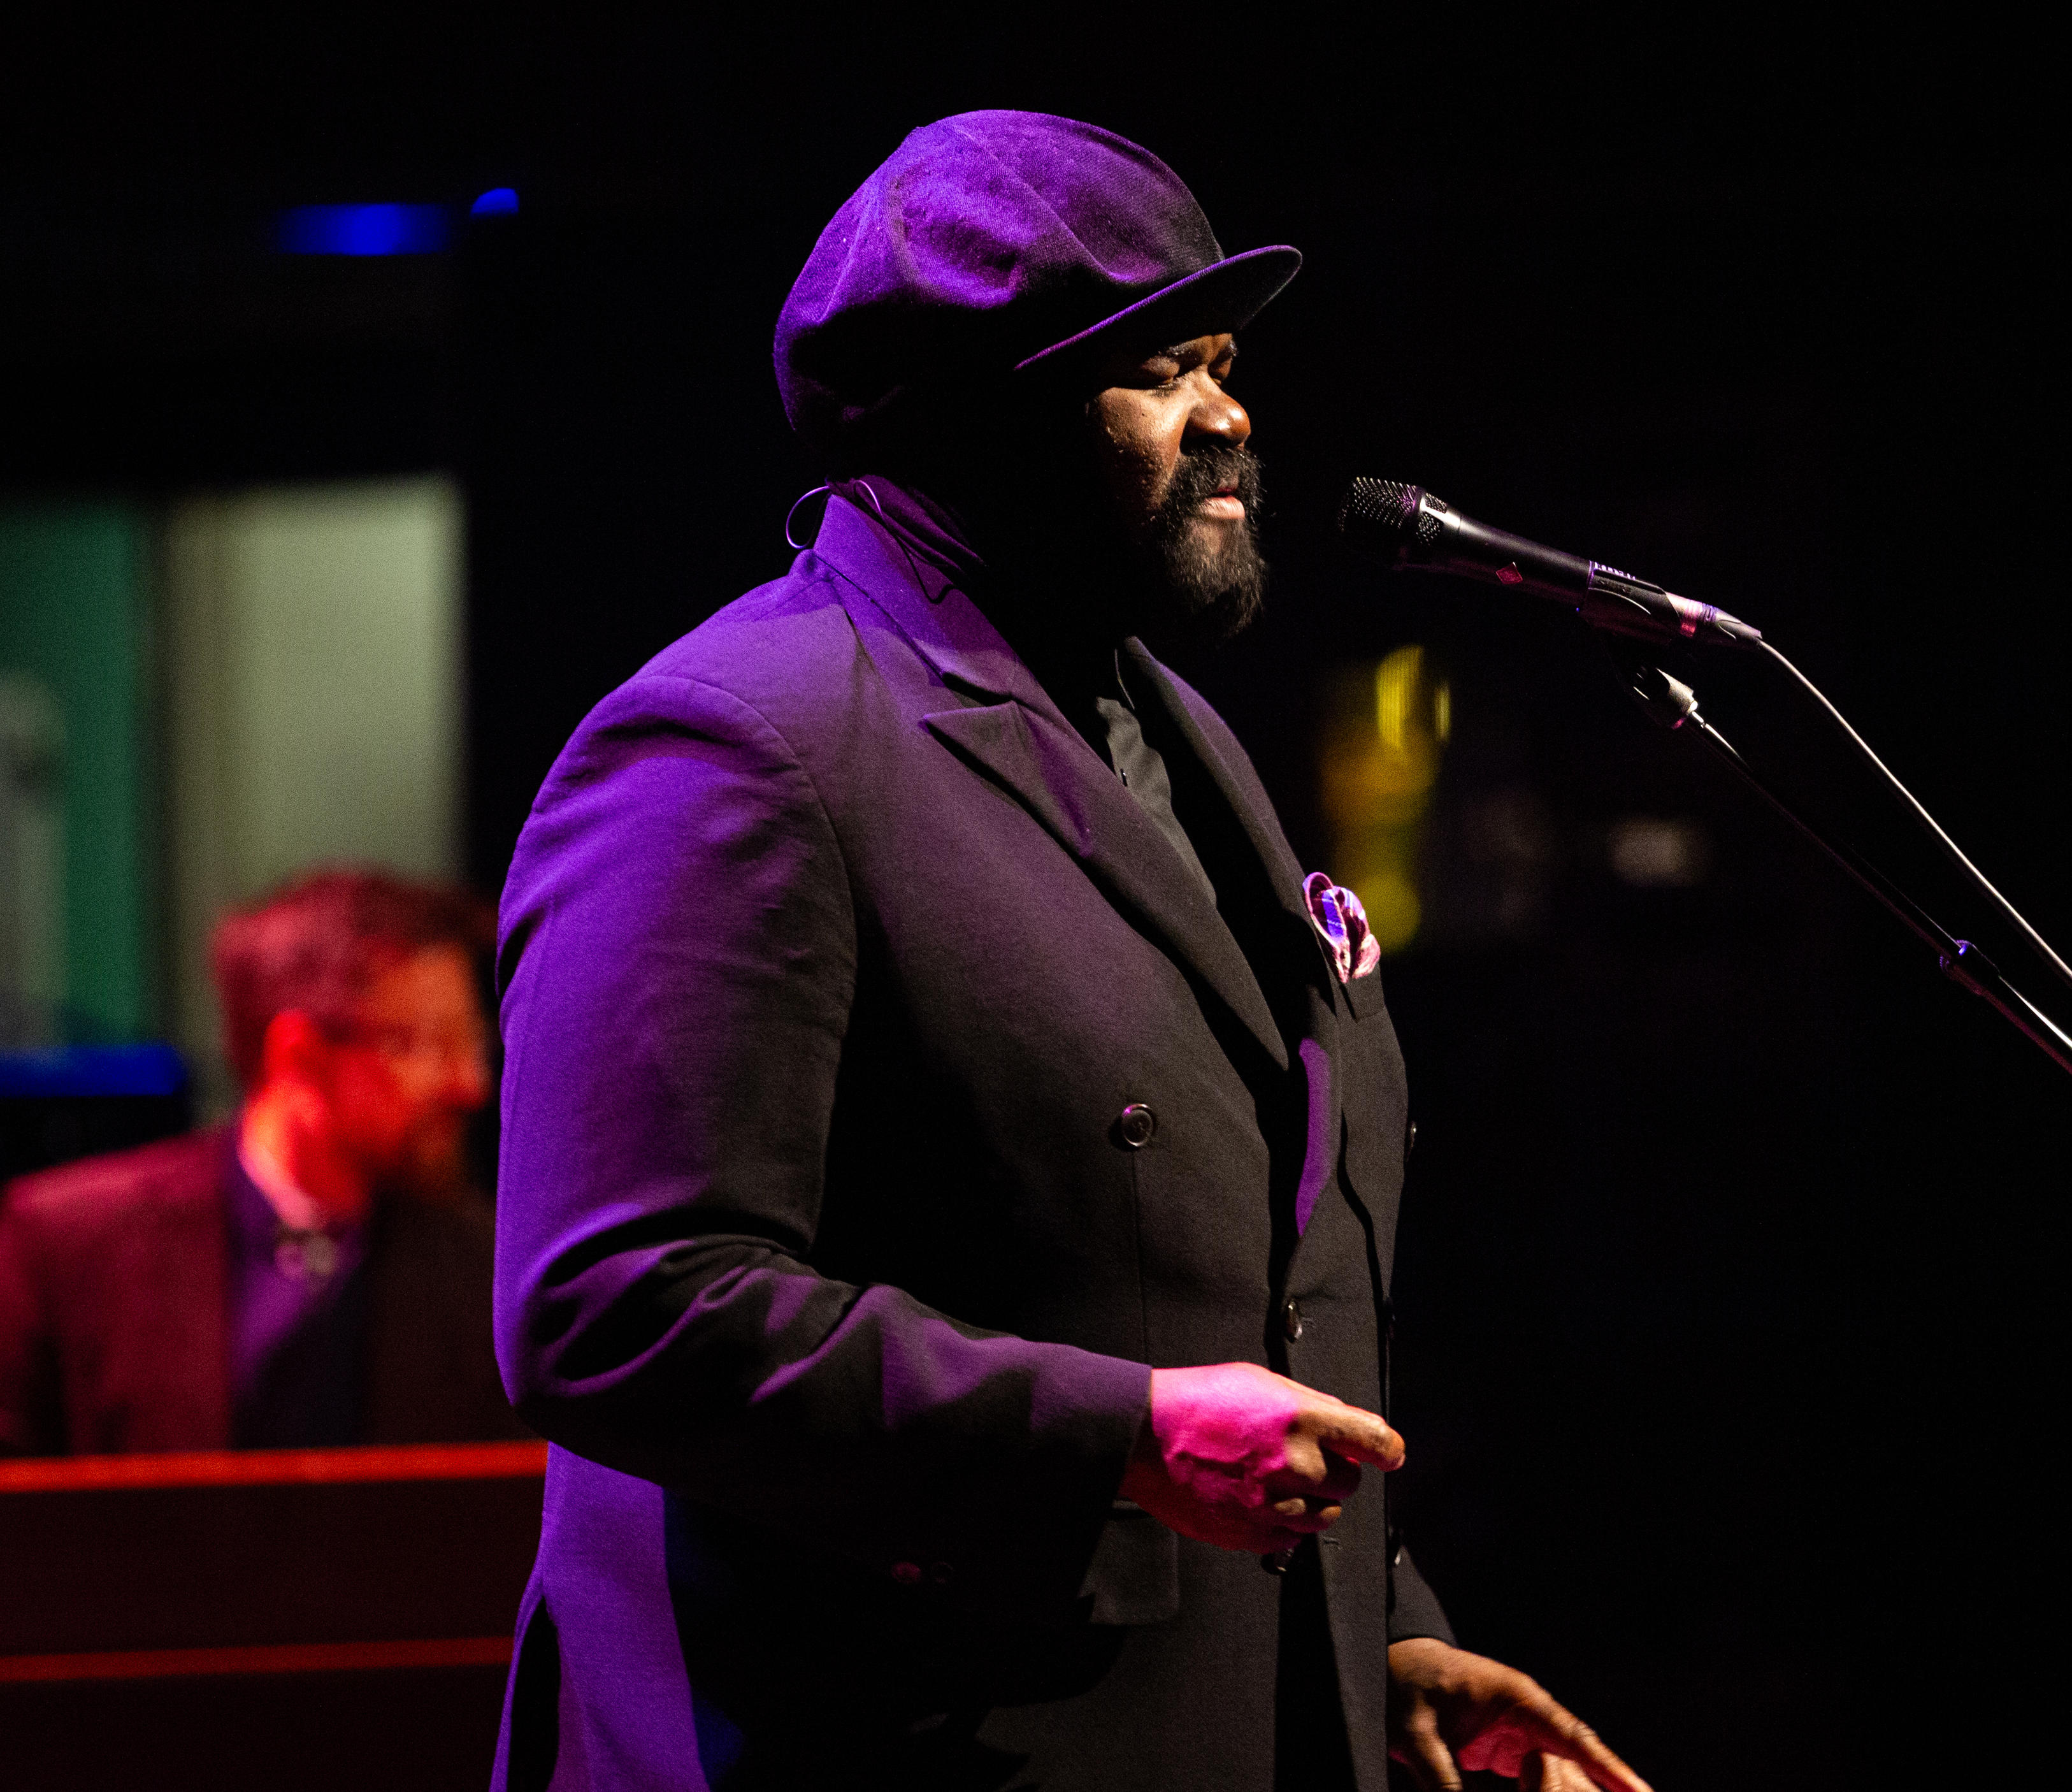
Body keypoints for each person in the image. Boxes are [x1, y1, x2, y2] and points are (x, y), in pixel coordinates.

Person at [489, 113, 1648, 1792]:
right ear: (984, 414)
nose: (1232, 412)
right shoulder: (739, 748)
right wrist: (1118, 1435)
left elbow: (1218, 1264)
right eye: (1164, 367)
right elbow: (616, 1304)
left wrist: (1368, 1625)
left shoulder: (1169, 732)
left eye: (1226, 358)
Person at [0, 867, 515, 1455]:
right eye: (422, 1044)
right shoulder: (64, 1245)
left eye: (471, 1043)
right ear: (297, 1054)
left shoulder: (485, 1262)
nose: (470, 1085)